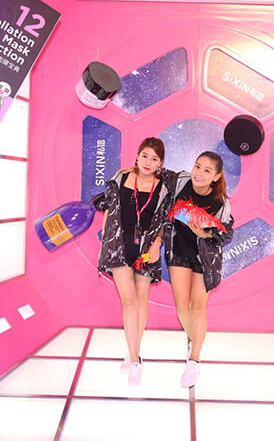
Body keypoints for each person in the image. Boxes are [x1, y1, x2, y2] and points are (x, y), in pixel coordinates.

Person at [96, 138, 175, 386]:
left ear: (161, 163)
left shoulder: (164, 188)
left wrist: (157, 244)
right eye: (145, 156)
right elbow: (108, 210)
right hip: (119, 246)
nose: (148, 162)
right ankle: (134, 358)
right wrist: (104, 243)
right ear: (137, 156)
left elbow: (166, 220)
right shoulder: (120, 178)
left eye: (154, 159)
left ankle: (133, 352)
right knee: (129, 302)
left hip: (146, 250)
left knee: (141, 301)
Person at [164, 151, 234, 387]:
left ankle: (194, 360)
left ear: (216, 176)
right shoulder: (181, 181)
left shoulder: (221, 202)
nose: (199, 173)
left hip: (205, 257)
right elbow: (156, 172)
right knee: (182, 307)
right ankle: (196, 341)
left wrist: (204, 233)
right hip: (179, 251)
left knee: (197, 307)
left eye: (207, 170)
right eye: (197, 166)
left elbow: (227, 233)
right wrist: (131, 170)